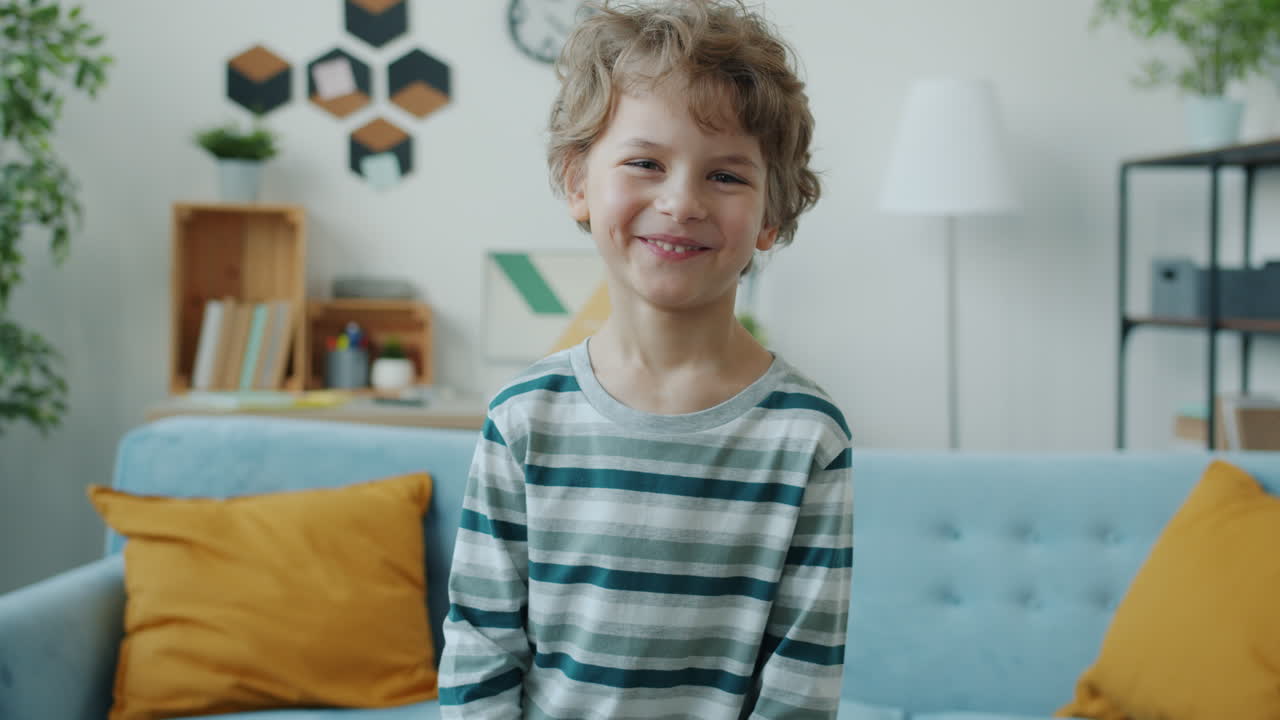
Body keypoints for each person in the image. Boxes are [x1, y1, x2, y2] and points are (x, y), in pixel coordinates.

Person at [439, 1, 852, 718]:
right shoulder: (523, 418)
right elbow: (480, 647)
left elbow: (802, 680)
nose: (681, 200)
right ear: (578, 183)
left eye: (726, 176)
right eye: (644, 162)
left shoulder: (809, 435)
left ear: (772, 214)